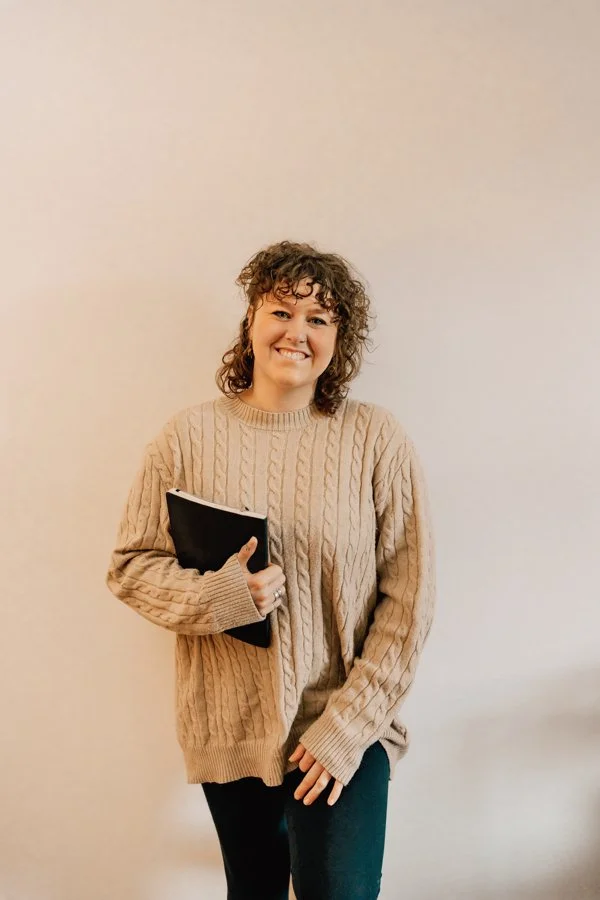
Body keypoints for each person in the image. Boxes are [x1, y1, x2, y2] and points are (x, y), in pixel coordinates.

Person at [105, 240, 436, 900]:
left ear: (339, 339)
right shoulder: (187, 438)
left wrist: (347, 727)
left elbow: (410, 599)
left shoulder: (376, 439)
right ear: (251, 322)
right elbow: (131, 567)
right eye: (282, 311)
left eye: (320, 318)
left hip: (343, 722)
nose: (298, 332)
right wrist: (226, 596)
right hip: (232, 725)